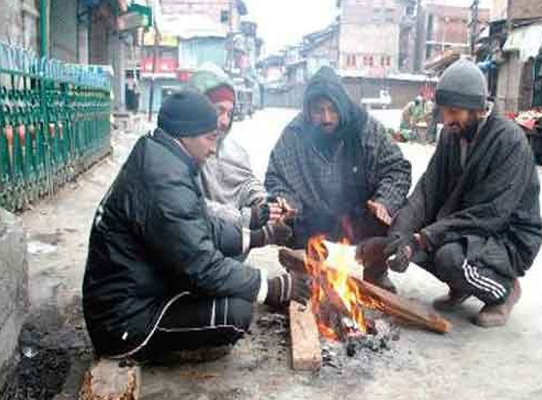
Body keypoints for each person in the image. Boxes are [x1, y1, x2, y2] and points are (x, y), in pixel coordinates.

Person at [83, 88, 311, 361]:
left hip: (139, 291)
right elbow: (201, 265)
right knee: (236, 313)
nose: (214, 149)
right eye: (210, 138)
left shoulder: (162, 157)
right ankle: (158, 353)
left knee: (235, 284)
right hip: (124, 323)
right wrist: (270, 287)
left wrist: (261, 235)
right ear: (185, 134)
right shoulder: (164, 180)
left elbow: (203, 225)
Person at [357, 59, 542, 327]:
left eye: (454, 112)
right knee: (406, 239)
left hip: (506, 236)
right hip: (467, 229)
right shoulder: (450, 136)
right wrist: (399, 235)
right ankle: (463, 284)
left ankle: (504, 290)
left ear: (479, 110)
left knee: (447, 257)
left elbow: (491, 214)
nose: (446, 120)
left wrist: (424, 238)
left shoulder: (509, 141)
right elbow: (428, 189)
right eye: (443, 111)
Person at [265, 67, 412, 293]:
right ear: (308, 110)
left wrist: (385, 201)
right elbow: (276, 177)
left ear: (342, 106)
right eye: (318, 111)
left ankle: (375, 270)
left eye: (333, 110)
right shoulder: (296, 133)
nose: (326, 118)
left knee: (391, 214)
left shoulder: (365, 127)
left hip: (359, 214)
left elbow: (397, 168)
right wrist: (288, 203)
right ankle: (305, 270)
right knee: (286, 219)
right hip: (315, 215)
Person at [190, 63, 291, 256]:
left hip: (226, 251)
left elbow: (245, 183)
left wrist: (264, 202)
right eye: (218, 110)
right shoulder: (179, 149)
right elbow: (191, 207)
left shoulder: (232, 149)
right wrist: (249, 218)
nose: (224, 121)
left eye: (229, 113)